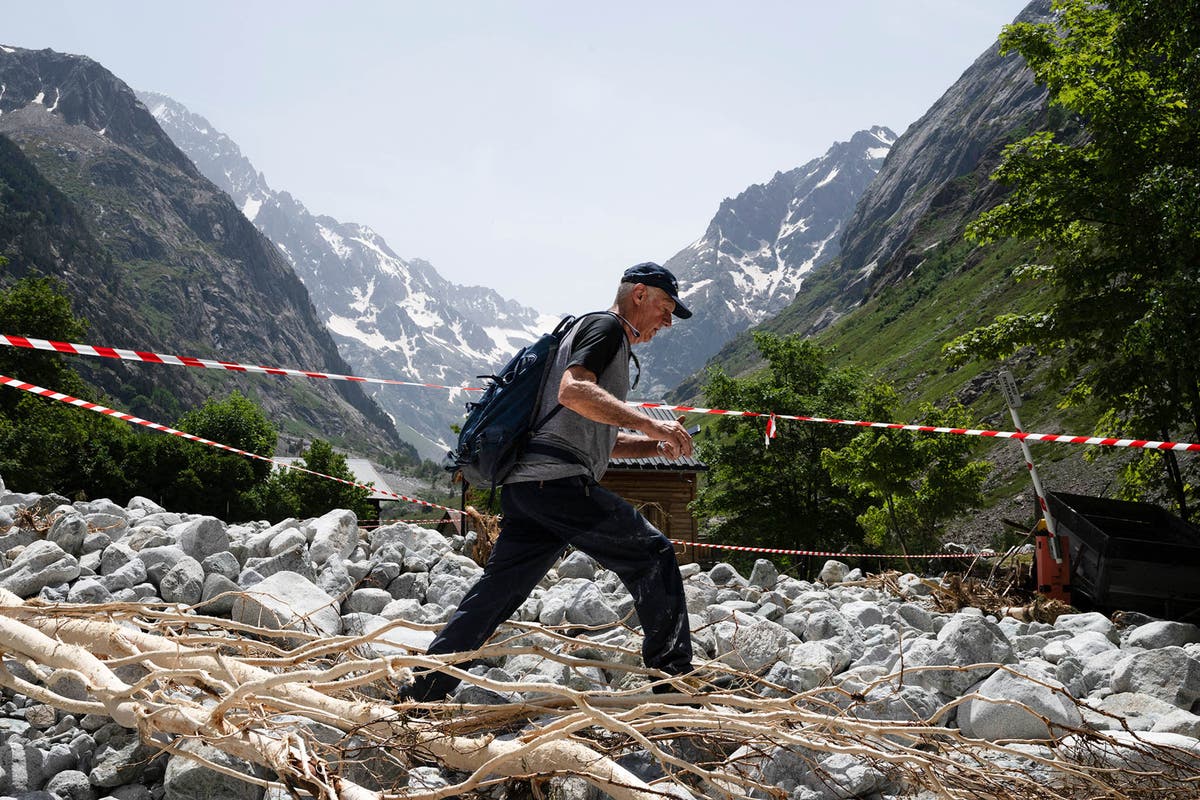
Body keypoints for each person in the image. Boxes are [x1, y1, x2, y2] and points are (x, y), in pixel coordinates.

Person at [399, 262, 698, 702]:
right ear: (639, 295)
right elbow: (573, 392)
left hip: (529, 487)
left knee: (496, 595)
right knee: (653, 554)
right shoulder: (606, 328)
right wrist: (656, 427)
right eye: (666, 307)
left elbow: (600, 440)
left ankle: (425, 689)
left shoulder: (593, 336)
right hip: (557, 484)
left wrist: (655, 446)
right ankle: (674, 682)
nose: (668, 321)